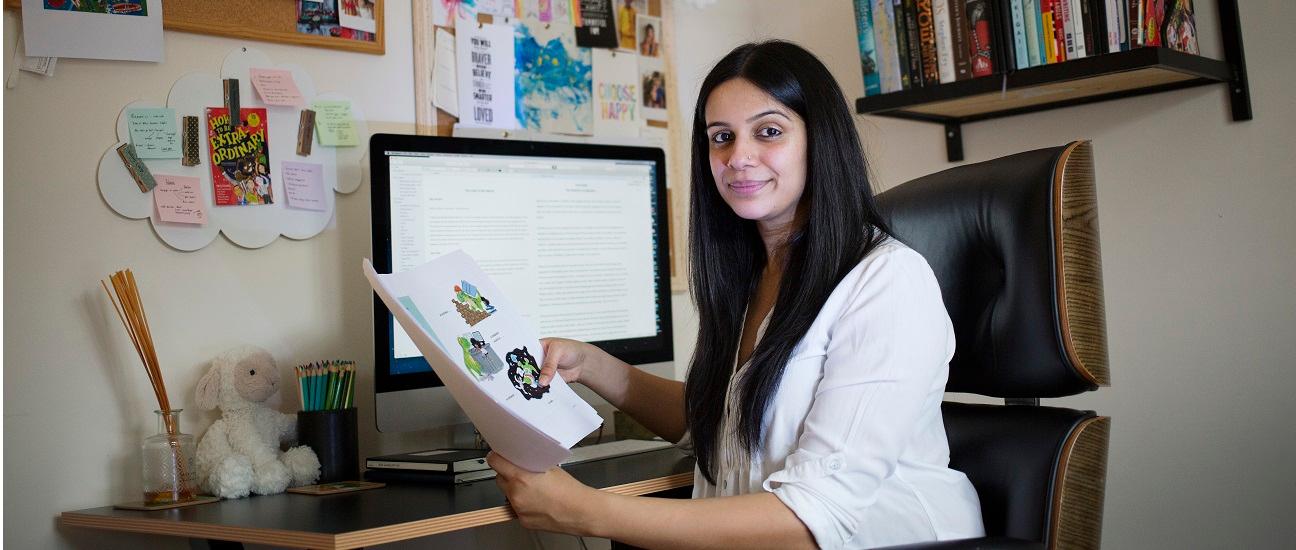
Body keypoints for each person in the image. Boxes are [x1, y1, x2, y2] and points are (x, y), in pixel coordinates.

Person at [486, 41, 986, 549]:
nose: (738, 158)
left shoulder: (887, 282)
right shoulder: (752, 276)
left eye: (768, 132)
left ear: (821, 140)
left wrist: (588, 512)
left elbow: (813, 519)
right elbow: (719, 425)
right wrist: (593, 366)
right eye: (720, 137)